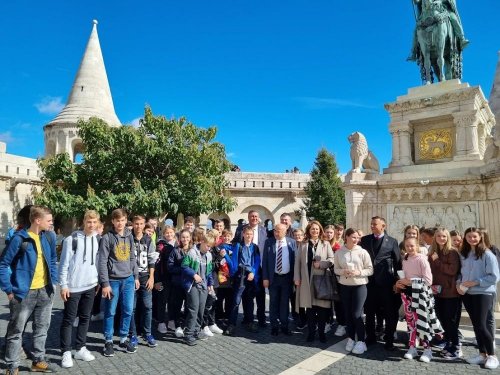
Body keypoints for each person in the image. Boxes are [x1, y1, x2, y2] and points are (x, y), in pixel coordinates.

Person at [0, 206, 58, 374]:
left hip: (45, 292)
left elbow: (53, 259)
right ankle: (12, 366)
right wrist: (9, 290)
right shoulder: (20, 239)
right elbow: (3, 264)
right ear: (37, 220)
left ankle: (38, 361)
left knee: (42, 329)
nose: (51, 223)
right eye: (49, 220)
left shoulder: (49, 237)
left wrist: (53, 282)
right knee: (15, 331)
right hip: (23, 294)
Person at [58, 210, 100, 368]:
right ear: (84, 222)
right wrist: (63, 285)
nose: (91, 225)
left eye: (94, 222)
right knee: (68, 320)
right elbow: (64, 264)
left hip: (90, 285)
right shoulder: (72, 239)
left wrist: (97, 282)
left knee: (85, 318)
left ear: (97, 223)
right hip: (73, 287)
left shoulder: (97, 239)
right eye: (89, 222)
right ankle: (66, 352)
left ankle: (80, 348)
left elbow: (96, 262)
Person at [98, 208, 139, 357]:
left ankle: (123, 338)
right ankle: (108, 341)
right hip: (113, 280)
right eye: (117, 220)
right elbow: (102, 261)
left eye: (122, 220)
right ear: (113, 221)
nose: (120, 223)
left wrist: (135, 276)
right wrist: (105, 283)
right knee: (110, 312)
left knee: (128, 309)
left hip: (128, 279)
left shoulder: (129, 236)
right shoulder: (107, 238)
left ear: (125, 220)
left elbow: (132, 258)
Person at [457, 227, 500, 369]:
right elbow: (460, 273)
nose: (471, 239)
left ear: (480, 237)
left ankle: (492, 356)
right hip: (468, 293)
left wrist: (475, 282)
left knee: (482, 325)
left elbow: (494, 277)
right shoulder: (464, 254)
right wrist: (459, 284)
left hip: (483, 293)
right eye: (469, 236)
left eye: (474, 236)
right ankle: (482, 354)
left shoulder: (488, 255)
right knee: (476, 325)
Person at [396, 237, 442, 363]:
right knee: (410, 322)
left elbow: (428, 281)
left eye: (412, 246)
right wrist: (401, 282)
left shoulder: (422, 259)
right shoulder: (405, 259)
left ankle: (428, 350)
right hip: (407, 294)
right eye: (407, 246)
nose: (409, 248)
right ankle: (412, 347)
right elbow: (405, 275)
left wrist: (410, 281)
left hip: (420, 294)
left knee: (422, 321)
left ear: (417, 246)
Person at [360, 216, 401, 350]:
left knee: (389, 313)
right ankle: (370, 337)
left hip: (386, 284)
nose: (372, 226)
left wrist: (397, 282)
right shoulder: (365, 240)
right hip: (369, 283)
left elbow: (398, 263)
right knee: (370, 312)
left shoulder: (392, 241)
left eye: (375, 224)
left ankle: (389, 340)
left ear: (383, 226)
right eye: (371, 224)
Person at [334, 228, 373, 355]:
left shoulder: (363, 252)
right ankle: (351, 338)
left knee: (356, 314)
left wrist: (359, 272)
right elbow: (336, 269)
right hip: (345, 286)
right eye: (353, 237)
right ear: (347, 237)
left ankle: (361, 341)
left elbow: (370, 269)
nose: (356, 240)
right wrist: (343, 271)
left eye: (357, 238)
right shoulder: (339, 252)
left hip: (360, 286)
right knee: (348, 314)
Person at [294, 220, 334, 343]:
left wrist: (321, 264)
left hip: (321, 280)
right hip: (307, 280)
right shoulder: (303, 244)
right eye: (312, 229)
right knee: (310, 310)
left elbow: (331, 260)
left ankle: (321, 333)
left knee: (322, 310)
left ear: (320, 230)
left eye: (317, 229)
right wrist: (297, 277)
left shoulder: (325, 243)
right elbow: (298, 263)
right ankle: (311, 333)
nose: (315, 231)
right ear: (308, 231)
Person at [427, 228, 462, 359]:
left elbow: (452, 270)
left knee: (450, 321)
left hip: (450, 292)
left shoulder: (452, 252)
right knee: (442, 320)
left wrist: (436, 261)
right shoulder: (433, 252)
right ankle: (448, 343)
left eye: (444, 236)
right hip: (437, 291)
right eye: (439, 236)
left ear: (447, 238)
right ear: (435, 238)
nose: (441, 238)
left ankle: (456, 346)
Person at [181, 230, 215, 346]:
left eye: (210, 247)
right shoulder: (192, 252)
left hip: (204, 286)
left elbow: (209, 272)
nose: (209, 249)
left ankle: (196, 331)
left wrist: (210, 285)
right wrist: (194, 274)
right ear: (202, 242)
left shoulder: (209, 255)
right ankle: (188, 334)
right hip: (193, 285)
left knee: (201, 310)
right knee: (193, 309)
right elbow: (184, 266)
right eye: (207, 246)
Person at [225, 226, 261, 336]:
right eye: (247, 234)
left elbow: (257, 261)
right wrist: (225, 256)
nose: (249, 236)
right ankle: (232, 324)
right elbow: (233, 260)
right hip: (240, 275)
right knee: (236, 300)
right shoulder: (238, 246)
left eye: (251, 234)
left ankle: (249, 322)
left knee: (249, 300)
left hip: (250, 276)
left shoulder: (255, 247)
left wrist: (253, 272)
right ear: (243, 235)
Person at [128, 215, 158, 348]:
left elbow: (152, 260)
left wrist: (152, 277)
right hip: (130, 277)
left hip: (145, 276)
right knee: (131, 308)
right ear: (133, 224)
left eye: (141, 224)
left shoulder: (148, 240)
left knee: (148, 306)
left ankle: (147, 333)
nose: (139, 226)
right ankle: (133, 335)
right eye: (136, 224)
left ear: (144, 224)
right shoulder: (128, 238)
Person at [262, 224, 296, 336]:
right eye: (275, 230)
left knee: (285, 303)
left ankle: (285, 326)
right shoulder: (269, 242)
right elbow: (265, 261)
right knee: (273, 303)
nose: (276, 233)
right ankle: (274, 327)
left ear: (285, 232)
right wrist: (265, 278)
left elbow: (295, 261)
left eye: (279, 231)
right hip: (273, 278)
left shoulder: (292, 242)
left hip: (287, 278)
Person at [236, 211, 267, 327]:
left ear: (258, 218)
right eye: (252, 216)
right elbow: (235, 243)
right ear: (248, 218)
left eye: (256, 216)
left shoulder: (264, 230)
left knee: (260, 295)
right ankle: (247, 317)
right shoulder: (241, 230)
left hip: (260, 267)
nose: (254, 218)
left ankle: (261, 318)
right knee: (246, 295)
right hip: (245, 269)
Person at [324, 224, 346, 337]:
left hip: (335, 277)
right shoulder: (322, 244)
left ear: (334, 233)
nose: (328, 234)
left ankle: (341, 324)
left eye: (331, 232)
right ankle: (327, 321)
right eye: (327, 232)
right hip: (324, 277)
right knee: (326, 301)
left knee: (338, 302)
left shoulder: (337, 246)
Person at [154, 225, 177, 334]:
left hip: (174, 278)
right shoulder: (161, 246)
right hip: (163, 278)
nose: (169, 234)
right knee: (162, 301)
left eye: (171, 232)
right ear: (164, 234)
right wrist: (157, 280)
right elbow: (157, 265)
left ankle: (171, 320)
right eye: (167, 233)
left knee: (173, 300)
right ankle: (161, 322)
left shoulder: (177, 244)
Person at [214, 229, 235, 324]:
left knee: (229, 297)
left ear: (232, 237)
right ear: (222, 237)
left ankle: (228, 315)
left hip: (230, 276)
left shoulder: (234, 247)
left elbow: (233, 262)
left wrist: (226, 256)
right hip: (221, 276)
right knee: (220, 296)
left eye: (228, 236)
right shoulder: (218, 248)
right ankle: (218, 315)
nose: (227, 238)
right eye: (225, 236)